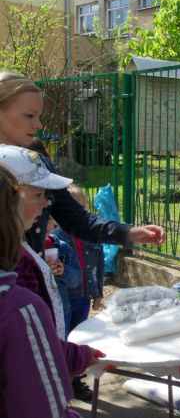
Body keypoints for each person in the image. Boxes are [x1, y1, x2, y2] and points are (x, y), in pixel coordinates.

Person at [0, 70, 166, 259]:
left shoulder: (38, 164)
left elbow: (75, 219)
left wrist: (128, 233)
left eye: (39, 116)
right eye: (30, 115)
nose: (38, 125)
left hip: (28, 283)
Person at [0, 145, 104, 401]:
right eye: (38, 194)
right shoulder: (17, 270)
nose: (47, 203)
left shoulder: (21, 255)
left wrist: (75, 356)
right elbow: (30, 350)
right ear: (9, 200)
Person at [52, 184, 105, 401]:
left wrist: (98, 294)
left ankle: (75, 381)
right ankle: (63, 382)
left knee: (78, 337)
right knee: (63, 340)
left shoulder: (91, 236)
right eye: (73, 209)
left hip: (83, 296)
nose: (78, 214)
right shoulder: (57, 238)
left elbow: (99, 265)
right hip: (65, 299)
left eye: (82, 208)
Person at [45, 216, 83, 340]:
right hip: (40, 310)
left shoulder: (63, 248)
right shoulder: (26, 249)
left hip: (61, 309)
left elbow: (77, 279)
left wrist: (64, 271)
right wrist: (42, 269)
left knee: (61, 345)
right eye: (40, 218)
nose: (45, 223)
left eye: (49, 218)